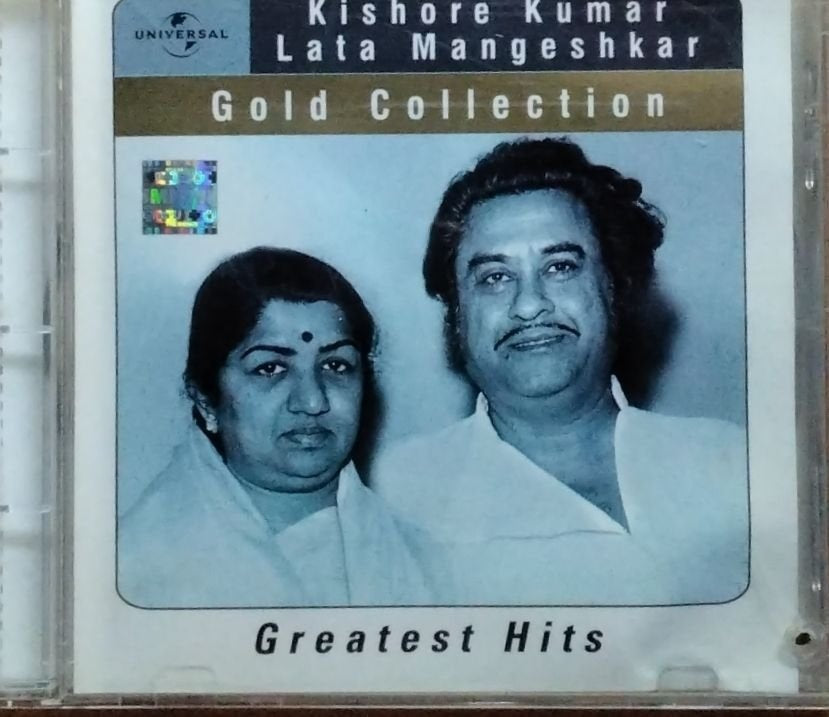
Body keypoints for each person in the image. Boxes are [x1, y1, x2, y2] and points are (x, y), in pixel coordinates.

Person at [370, 137, 749, 606]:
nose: (529, 305)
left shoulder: (731, 462)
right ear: (457, 316)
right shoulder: (396, 495)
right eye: (495, 277)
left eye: (560, 267)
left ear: (615, 287)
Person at [119, 247, 438, 608]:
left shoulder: (430, 563)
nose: (313, 401)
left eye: (335, 365)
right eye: (270, 368)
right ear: (206, 400)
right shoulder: (137, 571)